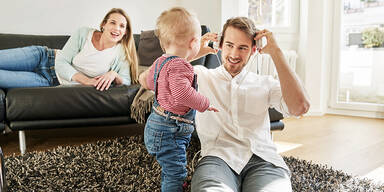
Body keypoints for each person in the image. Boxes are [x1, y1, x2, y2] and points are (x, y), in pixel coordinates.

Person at [188, 17, 310, 191]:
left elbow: (300, 107)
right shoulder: (201, 76)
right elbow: (151, 80)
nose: (234, 54)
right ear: (219, 45)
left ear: (254, 50)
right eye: (229, 45)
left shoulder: (265, 83)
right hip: (217, 159)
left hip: (263, 159)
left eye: (242, 48)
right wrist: (193, 54)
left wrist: (276, 52)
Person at [138, 7, 218, 192]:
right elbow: (182, 94)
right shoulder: (181, 66)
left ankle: (170, 183)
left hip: (156, 124)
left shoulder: (161, 61)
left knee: (169, 166)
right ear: (193, 42)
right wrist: (205, 103)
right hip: (171, 130)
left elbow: (150, 81)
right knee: (176, 172)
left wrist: (201, 50)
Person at [0, 8, 138, 91]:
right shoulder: (84, 33)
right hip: (43, 58)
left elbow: (126, 81)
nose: (117, 29)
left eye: (122, 26)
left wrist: (114, 74)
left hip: (48, 80)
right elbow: (60, 63)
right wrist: (86, 81)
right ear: (103, 24)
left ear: (125, 32)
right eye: (113, 23)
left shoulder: (121, 53)